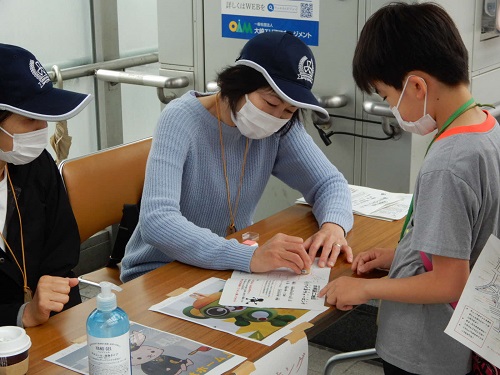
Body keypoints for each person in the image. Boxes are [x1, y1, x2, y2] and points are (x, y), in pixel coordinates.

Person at [319, 3, 500, 375]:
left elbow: (450, 281)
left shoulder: (449, 163)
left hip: (427, 352)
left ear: (416, 86)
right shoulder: (486, 127)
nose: (391, 108)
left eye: (387, 96)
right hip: (464, 341)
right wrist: (405, 254)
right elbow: (469, 241)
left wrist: (366, 290)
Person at [120, 31, 353, 282]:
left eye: (290, 109)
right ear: (238, 85)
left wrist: (333, 227)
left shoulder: (282, 127)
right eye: (271, 103)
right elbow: (158, 222)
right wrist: (247, 257)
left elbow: (329, 183)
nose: (277, 117)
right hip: (161, 270)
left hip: (226, 266)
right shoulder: (180, 119)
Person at [0, 43, 93, 327]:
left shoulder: (37, 167)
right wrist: (22, 315)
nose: (43, 129)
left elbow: (61, 264)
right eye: (30, 118)